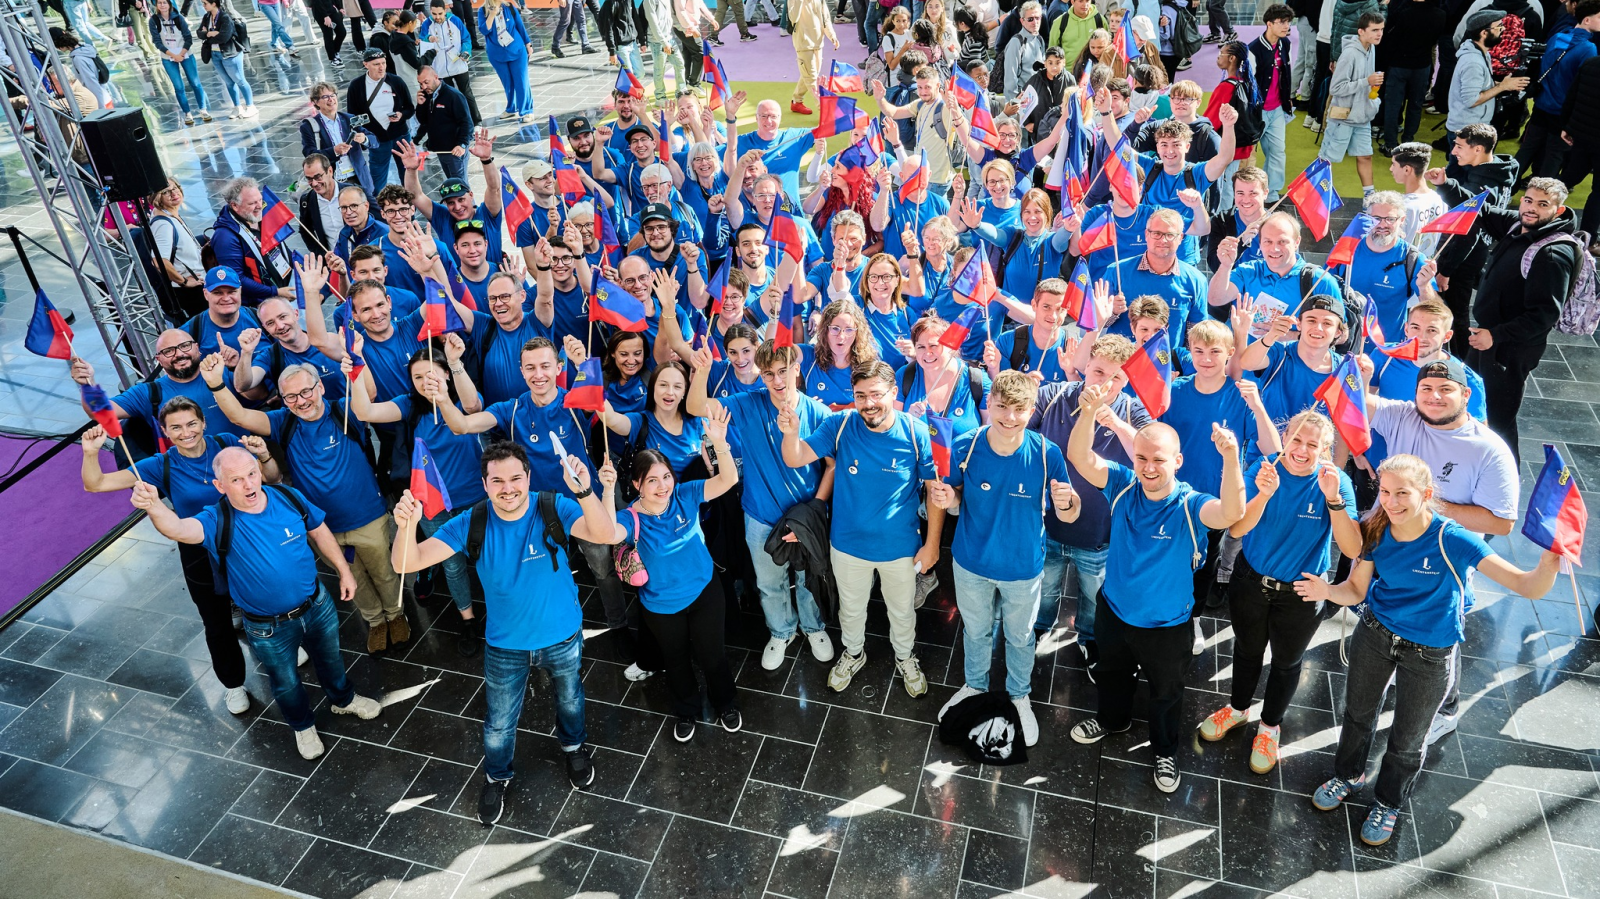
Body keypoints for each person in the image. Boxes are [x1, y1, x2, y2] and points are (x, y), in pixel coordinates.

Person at [1298, 454, 1560, 847]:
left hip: (1431, 651)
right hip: (1376, 633)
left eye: (1402, 493)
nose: (1391, 501)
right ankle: (1349, 776)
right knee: (1357, 715)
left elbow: (1527, 587)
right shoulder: (1377, 528)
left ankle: (1388, 802)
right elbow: (1356, 589)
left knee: (1408, 738)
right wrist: (1328, 591)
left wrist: (1550, 562)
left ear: (1427, 493)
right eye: (1385, 491)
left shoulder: (1451, 537)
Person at [392, 441, 621, 821]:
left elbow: (604, 533)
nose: (508, 487)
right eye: (497, 480)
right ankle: (497, 776)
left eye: (516, 478)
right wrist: (406, 527)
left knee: (570, 700)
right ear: (484, 484)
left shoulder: (552, 506)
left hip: (562, 636)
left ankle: (574, 747)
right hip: (505, 646)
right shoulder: (471, 522)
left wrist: (583, 490)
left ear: (529, 478)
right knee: (499, 722)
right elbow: (408, 561)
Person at [131, 448, 382, 761]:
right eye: (236, 479)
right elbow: (179, 529)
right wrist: (154, 507)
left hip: (317, 604)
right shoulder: (215, 519)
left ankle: (343, 700)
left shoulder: (288, 497)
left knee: (331, 659)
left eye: (251, 473)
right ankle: (302, 726)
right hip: (268, 627)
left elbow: (318, 529)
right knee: (286, 682)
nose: (249, 484)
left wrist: (344, 571)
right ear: (220, 486)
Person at [1064, 381, 1245, 793]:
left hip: (1167, 625)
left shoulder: (1189, 503)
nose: (1148, 467)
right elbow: (1079, 456)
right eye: (1141, 457)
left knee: (1166, 693)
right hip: (1114, 610)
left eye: (1158, 460)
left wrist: (1231, 457)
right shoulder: (1122, 484)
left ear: (1177, 461)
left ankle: (1164, 751)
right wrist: (1090, 411)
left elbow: (1231, 511)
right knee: (1111, 675)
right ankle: (1112, 721)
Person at [79, 402, 279, 716]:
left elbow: (268, 478)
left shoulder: (226, 445)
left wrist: (263, 455)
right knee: (216, 623)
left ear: (203, 423)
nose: (185, 433)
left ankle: (279, 651)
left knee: (267, 602)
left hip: (246, 541)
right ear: (165, 432)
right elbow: (97, 483)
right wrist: (91, 452)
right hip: (199, 550)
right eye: (176, 427)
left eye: (191, 424)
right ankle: (233, 685)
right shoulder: (161, 465)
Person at [202, 354, 410, 655]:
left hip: (368, 516)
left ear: (320, 388)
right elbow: (240, 416)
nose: (300, 401)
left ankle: (396, 614)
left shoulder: (344, 411)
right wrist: (216, 384)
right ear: (283, 400)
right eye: (290, 396)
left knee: (383, 571)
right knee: (352, 577)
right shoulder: (282, 423)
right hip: (321, 527)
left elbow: (371, 396)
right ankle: (375, 621)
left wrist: (357, 358)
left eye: (305, 391)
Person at [1198, 410, 1359, 774]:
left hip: (1301, 595)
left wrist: (1333, 500)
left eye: (1313, 445)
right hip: (1251, 582)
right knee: (1247, 650)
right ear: (1285, 437)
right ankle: (1238, 710)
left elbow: (1351, 549)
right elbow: (1237, 529)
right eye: (1296, 440)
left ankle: (1270, 728)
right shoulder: (1265, 468)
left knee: (1287, 663)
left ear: (1326, 448)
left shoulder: (1335, 482)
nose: (1301, 450)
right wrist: (1265, 495)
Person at [779, 360, 943, 698]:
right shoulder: (840, 425)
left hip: (900, 549)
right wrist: (790, 433)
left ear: (893, 393)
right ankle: (853, 653)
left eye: (876, 395)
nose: (869, 403)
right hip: (847, 546)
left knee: (901, 610)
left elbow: (935, 491)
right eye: (860, 395)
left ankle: (905, 657)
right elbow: (795, 458)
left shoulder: (915, 432)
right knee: (850, 609)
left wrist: (932, 545)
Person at [932, 372, 1078, 747]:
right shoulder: (967, 445)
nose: (1009, 417)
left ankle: (1019, 694)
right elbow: (955, 500)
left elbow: (1068, 513)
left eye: (1019, 410)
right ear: (990, 404)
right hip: (971, 563)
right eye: (1001, 407)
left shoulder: (1047, 454)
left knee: (1020, 636)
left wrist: (1068, 503)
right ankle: (975, 685)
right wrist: (948, 501)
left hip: (1022, 568)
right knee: (976, 631)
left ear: (1032, 411)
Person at [625, 412, 743, 742]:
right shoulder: (630, 516)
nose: (662, 486)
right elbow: (606, 533)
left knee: (712, 655)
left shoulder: (686, 494)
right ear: (637, 484)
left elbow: (728, 480)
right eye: (652, 480)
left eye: (666, 477)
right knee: (675, 661)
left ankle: (726, 704)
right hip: (661, 605)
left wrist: (719, 442)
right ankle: (686, 709)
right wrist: (604, 490)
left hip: (705, 592)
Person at [1462, 177, 1580, 462]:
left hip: (1509, 348)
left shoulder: (1552, 254)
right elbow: (1483, 211)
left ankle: (1505, 484)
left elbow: (1544, 315)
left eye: (1542, 205)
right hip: (1489, 339)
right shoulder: (1521, 225)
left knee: (1499, 419)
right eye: (1528, 200)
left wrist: (1496, 335)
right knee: (1477, 403)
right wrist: (1447, 182)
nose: (1531, 208)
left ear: (1559, 210)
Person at [1423, 123, 1518, 356]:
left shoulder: (1483, 183)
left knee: (1454, 312)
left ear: (1478, 149)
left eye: (1459, 146)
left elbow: (1469, 221)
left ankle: (1458, 360)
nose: (1453, 152)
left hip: (1463, 258)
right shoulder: (1499, 170)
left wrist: (1445, 270)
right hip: (1476, 252)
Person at [70, 328, 246, 444]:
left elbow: (259, 396)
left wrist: (240, 361)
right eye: (168, 351)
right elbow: (99, 412)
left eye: (185, 346)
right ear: (159, 360)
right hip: (193, 477)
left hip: (246, 464)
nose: (179, 354)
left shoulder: (222, 372)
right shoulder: (149, 392)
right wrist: (87, 384)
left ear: (197, 348)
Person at [1331, 191, 1440, 340]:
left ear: (1402, 220)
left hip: (1387, 349)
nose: (1382, 224)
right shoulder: (1346, 248)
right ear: (1367, 218)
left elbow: (1435, 311)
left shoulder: (1412, 258)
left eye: (1390, 219)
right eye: (1376, 218)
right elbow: (1324, 290)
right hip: (1344, 345)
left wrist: (1424, 286)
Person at [1321, 12, 1383, 195]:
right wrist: (1366, 81)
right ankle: (1317, 195)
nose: (1379, 34)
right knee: (1326, 161)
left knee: (1365, 156)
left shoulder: (1371, 48)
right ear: (1361, 32)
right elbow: (1336, 88)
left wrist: (1372, 94)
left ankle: (1369, 196)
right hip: (1343, 118)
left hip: (1362, 116)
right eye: (1374, 30)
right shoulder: (1349, 54)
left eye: (1381, 30)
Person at [210, 177, 298, 306]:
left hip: (282, 291)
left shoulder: (261, 217)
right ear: (235, 205)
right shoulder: (225, 237)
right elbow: (237, 278)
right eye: (251, 203)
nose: (259, 207)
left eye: (260, 200)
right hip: (260, 303)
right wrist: (274, 292)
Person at [1446, 11, 1529, 145]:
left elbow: (1481, 83)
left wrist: (1504, 83)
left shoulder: (1481, 53)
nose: (1503, 31)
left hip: (1472, 127)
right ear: (1484, 33)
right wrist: (1503, 86)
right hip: (1468, 131)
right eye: (1499, 27)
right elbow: (1471, 100)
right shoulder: (1473, 62)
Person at [1378, 0, 1448, 156]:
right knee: (1415, 106)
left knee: (1393, 105)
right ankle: (1408, 141)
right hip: (1422, 65)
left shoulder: (1402, 12)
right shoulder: (1440, 15)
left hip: (1399, 64)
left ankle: (1390, 144)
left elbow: (1391, 37)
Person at [347, 48, 417, 188]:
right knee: (377, 181)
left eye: (383, 63)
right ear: (365, 64)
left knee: (407, 176)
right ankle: (379, 208)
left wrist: (401, 115)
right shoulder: (356, 86)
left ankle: (411, 206)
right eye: (376, 64)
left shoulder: (396, 81)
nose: (381, 68)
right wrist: (363, 137)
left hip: (400, 136)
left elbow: (410, 108)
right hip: (376, 139)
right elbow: (352, 116)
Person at [301, 84, 375, 205]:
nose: (331, 99)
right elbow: (309, 154)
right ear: (316, 102)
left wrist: (364, 139)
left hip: (359, 179)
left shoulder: (349, 118)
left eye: (333, 95)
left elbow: (374, 141)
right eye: (325, 96)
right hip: (334, 181)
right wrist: (334, 151)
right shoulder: (309, 126)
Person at [1248, 6, 1295, 196]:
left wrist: (1287, 100)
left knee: (1277, 152)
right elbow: (1248, 85)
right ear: (1269, 24)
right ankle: (1245, 192)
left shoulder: (1286, 44)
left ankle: (1272, 191)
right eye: (1282, 22)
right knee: (1247, 156)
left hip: (1277, 109)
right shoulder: (1253, 50)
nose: (1286, 26)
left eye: (1288, 22)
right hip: (1256, 112)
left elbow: (1287, 74)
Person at [148, 179, 209, 318]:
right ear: (157, 197)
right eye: (166, 192)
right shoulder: (163, 224)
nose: (174, 193)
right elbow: (158, 261)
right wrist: (184, 281)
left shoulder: (171, 214)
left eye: (175, 188)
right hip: (192, 292)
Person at [420, 0, 482, 125]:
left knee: (466, 93)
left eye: (440, 13)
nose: (437, 17)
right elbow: (421, 41)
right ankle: (455, 122)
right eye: (434, 14)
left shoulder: (455, 20)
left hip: (458, 63)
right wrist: (428, 39)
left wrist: (466, 52)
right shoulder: (427, 24)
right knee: (447, 96)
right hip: (440, 68)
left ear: (445, 10)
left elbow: (466, 38)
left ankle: (476, 122)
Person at [151, 0, 212, 125]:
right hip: (168, 57)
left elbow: (188, 38)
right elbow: (157, 42)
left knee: (195, 83)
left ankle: (203, 110)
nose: (162, 5)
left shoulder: (179, 18)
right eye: (159, 3)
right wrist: (173, 55)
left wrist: (181, 54)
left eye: (164, 2)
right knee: (179, 87)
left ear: (170, 4)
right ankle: (187, 113)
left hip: (185, 54)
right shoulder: (154, 20)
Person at [412, 67, 475, 182]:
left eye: (426, 82)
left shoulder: (453, 95)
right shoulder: (427, 95)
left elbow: (467, 123)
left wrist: (462, 144)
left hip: (454, 150)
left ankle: (467, 200)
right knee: (452, 183)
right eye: (421, 84)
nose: (424, 87)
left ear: (436, 77)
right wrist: (420, 105)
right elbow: (424, 121)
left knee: (460, 186)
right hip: (441, 149)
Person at [197, 0, 256, 120]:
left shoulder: (224, 17)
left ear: (214, 3)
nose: (203, 6)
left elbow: (224, 37)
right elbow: (199, 33)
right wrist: (211, 34)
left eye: (205, 3)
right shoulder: (207, 17)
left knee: (240, 80)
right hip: (215, 54)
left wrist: (208, 34)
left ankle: (250, 106)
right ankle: (237, 106)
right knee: (228, 83)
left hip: (230, 54)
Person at [1389, 142, 1447, 253]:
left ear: (1407, 169)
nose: (1391, 169)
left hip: (1402, 266)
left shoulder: (1401, 207)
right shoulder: (1439, 199)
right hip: (1426, 265)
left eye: (1393, 164)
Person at [787, 0, 839, 115]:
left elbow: (825, 19)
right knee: (812, 78)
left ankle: (796, 100)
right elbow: (793, 18)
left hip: (818, 43)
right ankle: (824, 110)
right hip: (803, 43)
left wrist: (832, 36)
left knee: (809, 75)